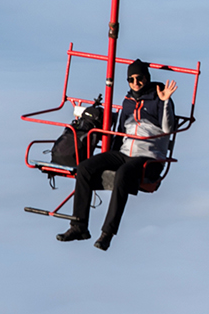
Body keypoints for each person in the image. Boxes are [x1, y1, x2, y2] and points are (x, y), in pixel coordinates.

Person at [56, 58, 178, 250]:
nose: (136, 83)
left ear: (147, 78)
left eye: (140, 78)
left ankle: (107, 233)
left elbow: (168, 129)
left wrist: (165, 102)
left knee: (123, 174)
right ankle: (79, 226)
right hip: (124, 152)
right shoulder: (128, 101)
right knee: (86, 167)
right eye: (131, 79)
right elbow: (120, 130)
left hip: (149, 156)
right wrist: (107, 157)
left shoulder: (159, 98)